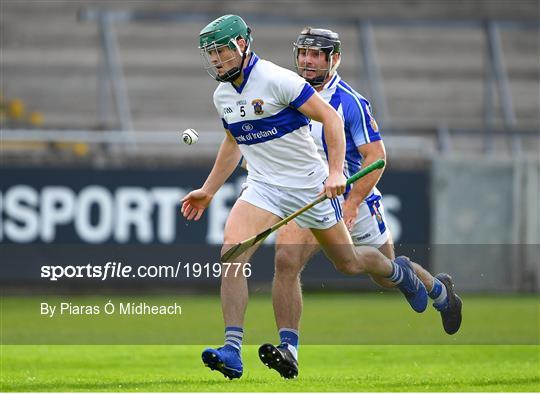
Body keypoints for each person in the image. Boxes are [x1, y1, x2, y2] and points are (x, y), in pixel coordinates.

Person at [182, 15, 429, 380]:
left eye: (222, 51)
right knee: (231, 253)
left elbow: (329, 118)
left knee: (349, 264)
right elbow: (234, 141)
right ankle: (232, 350)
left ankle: (398, 272)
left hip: (307, 187)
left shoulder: (278, 79)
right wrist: (208, 189)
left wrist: (333, 173)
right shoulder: (222, 95)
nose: (217, 60)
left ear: (243, 45)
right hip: (263, 187)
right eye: (212, 54)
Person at [256, 27, 463, 379]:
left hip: (352, 198)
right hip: (308, 198)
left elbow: (376, 157)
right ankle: (288, 349)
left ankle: (439, 291)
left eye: (316, 54)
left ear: (333, 58)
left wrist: (351, 204)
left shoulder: (349, 101)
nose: (307, 60)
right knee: (286, 258)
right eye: (303, 53)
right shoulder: (286, 92)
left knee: (382, 275)